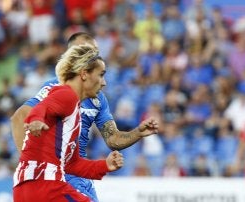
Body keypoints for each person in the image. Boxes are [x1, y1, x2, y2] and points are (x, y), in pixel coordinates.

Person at [11, 32, 159, 201]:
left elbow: (108, 142)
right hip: (49, 178)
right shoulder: (61, 89)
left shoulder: (93, 101)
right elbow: (30, 112)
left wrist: (135, 136)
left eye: (95, 53)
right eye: (86, 52)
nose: (104, 82)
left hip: (67, 173)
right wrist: (35, 160)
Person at [13, 44, 124, 201]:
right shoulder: (68, 95)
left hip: (26, 188)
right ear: (84, 74)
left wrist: (105, 165)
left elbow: (72, 164)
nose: (104, 82)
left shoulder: (73, 113)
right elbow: (42, 107)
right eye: (101, 75)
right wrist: (36, 119)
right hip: (45, 185)